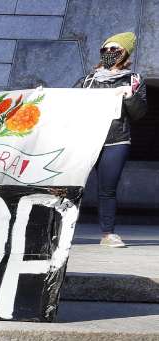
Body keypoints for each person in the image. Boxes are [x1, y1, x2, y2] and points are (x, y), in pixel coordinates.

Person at [78, 32, 148, 248]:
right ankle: (58, 228)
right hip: (86, 140)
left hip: (116, 141)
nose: (109, 53)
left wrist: (130, 96)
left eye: (115, 49)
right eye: (106, 49)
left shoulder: (133, 79)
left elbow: (139, 114)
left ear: (125, 52)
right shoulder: (88, 80)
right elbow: (71, 105)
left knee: (107, 189)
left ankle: (108, 234)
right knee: (71, 186)